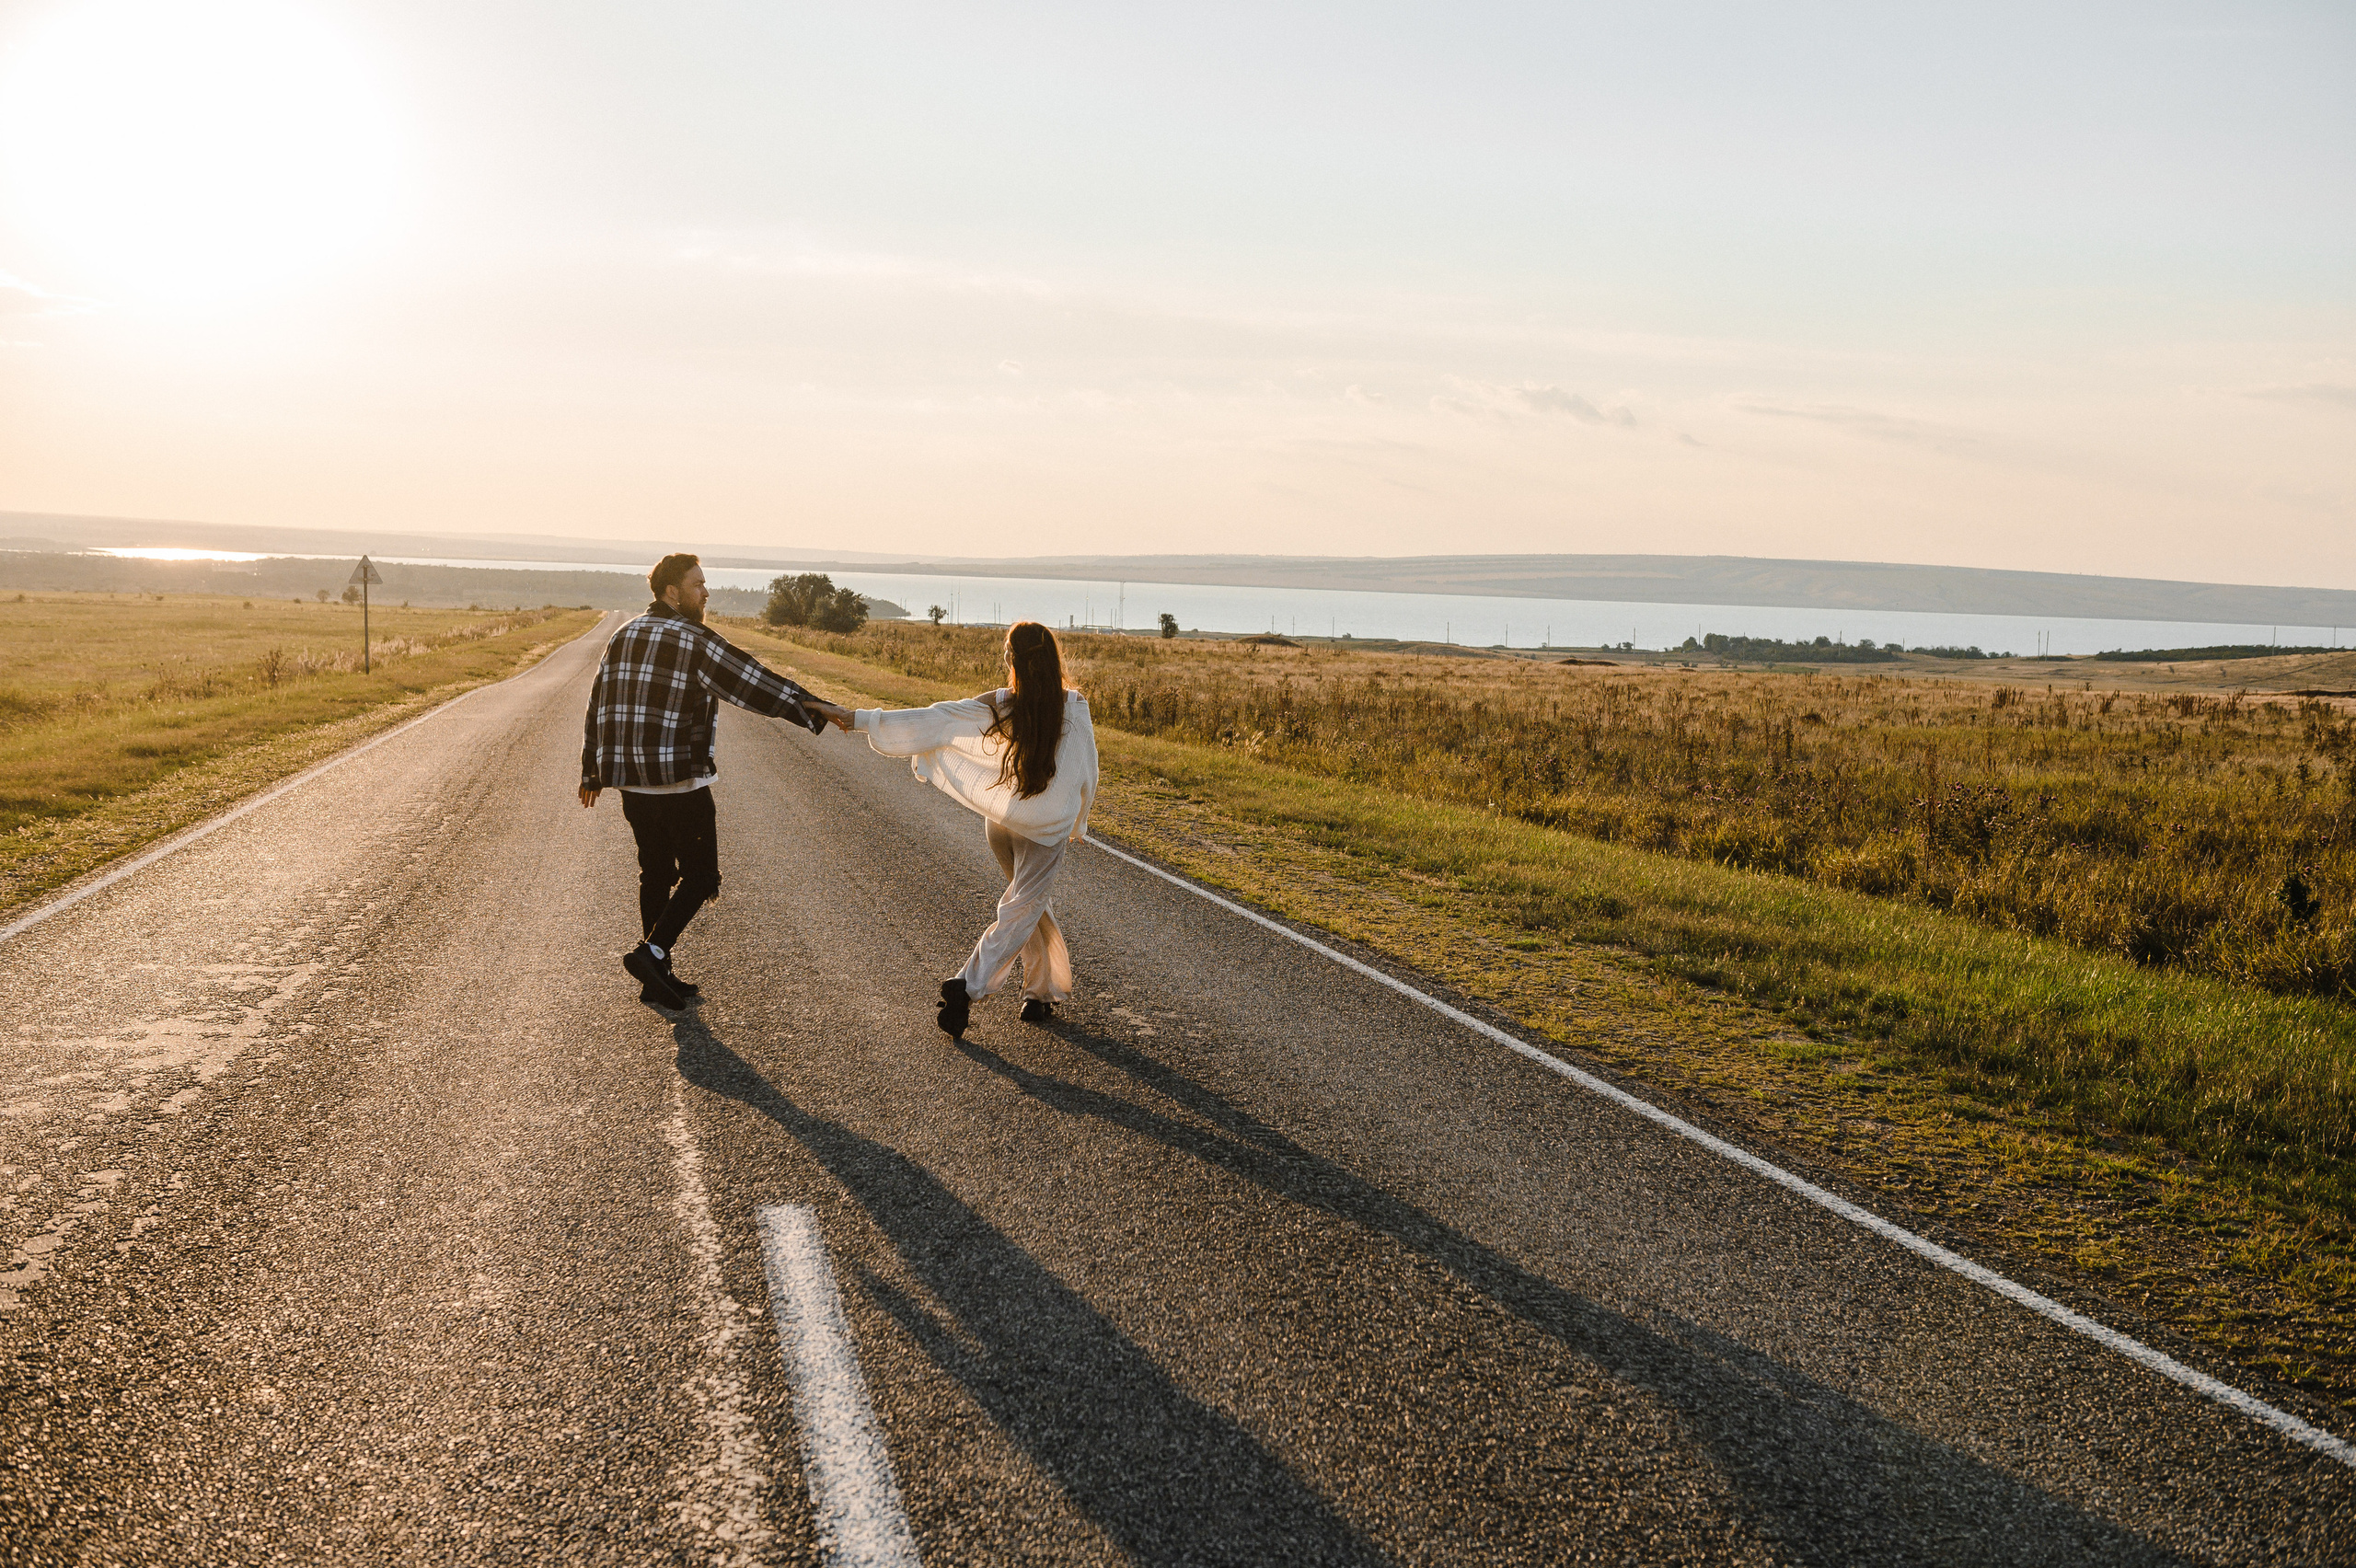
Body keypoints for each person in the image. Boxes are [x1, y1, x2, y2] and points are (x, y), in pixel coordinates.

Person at [814, 622, 1096, 1036]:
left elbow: (939, 719)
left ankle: (1041, 993)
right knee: (1022, 907)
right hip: (1045, 829)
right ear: (1053, 661)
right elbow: (1087, 772)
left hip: (1002, 823)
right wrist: (1079, 820)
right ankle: (968, 985)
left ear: (1012, 662)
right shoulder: (1075, 706)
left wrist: (857, 719)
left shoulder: (1002, 703)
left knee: (1027, 905)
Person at [580, 552, 829, 1008]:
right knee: (701, 875)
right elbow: (751, 681)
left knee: (654, 874)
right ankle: (652, 953)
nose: (706, 592)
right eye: (697, 585)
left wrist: (592, 771)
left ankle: (657, 974)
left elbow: (598, 703)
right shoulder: (692, 638)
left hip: (633, 785)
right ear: (672, 592)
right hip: (678, 783)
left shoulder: (623, 633)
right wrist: (814, 708)